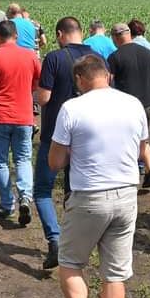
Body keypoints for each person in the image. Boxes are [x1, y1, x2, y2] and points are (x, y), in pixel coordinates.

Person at [48, 55, 148, 298]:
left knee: (69, 262)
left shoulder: (73, 108)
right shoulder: (133, 104)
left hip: (90, 196)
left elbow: (56, 161)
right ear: (108, 75)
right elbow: (143, 147)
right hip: (127, 195)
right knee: (115, 275)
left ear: (79, 80)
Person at [32, 17, 96, 269]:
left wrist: (35, 94)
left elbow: (44, 98)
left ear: (60, 34)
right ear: (80, 33)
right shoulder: (96, 59)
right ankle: (75, 244)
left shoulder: (54, 59)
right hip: (87, 136)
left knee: (42, 190)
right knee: (74, 190)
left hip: (55, 134)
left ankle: (55, 238)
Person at [0, 20, 41, 221]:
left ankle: (6, 203)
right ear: (16, 36)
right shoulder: (30, 56)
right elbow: (36, 84)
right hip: (23, 116)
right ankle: (25, 198)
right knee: (23, 159)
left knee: (1, 162)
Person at [107, 23, 150, 188]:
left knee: (125, 140)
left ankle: (129, 175)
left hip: (125, 106)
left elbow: (108, 81)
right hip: (148, 103)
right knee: (143, 139)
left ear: (116, 37)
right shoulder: (148, 52)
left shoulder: (114, 57)